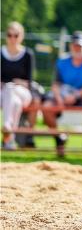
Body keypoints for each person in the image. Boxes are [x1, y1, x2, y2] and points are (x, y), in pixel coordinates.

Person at [42, 30, 82, 155]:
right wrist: (59, 98)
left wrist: (76, 95)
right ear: (71, 46)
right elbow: (56, 84)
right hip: (64, 95)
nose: (78, 48)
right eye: (75, 45)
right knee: (46, 107)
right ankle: (59, 139)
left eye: (80, 46)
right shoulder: (62, 61)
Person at [1, 21, 35, 150]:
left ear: (21, 36)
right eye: (10, 35)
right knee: (14, 102)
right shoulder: (1, 53)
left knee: (11, 90)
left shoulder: (28, 54)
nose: (12, 38)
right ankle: (10, 140)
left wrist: (19, 83)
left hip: (23, 92)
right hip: (4, 93)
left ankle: (7, 128)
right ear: (6, 36)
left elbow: (29, 82)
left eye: (16, 35)